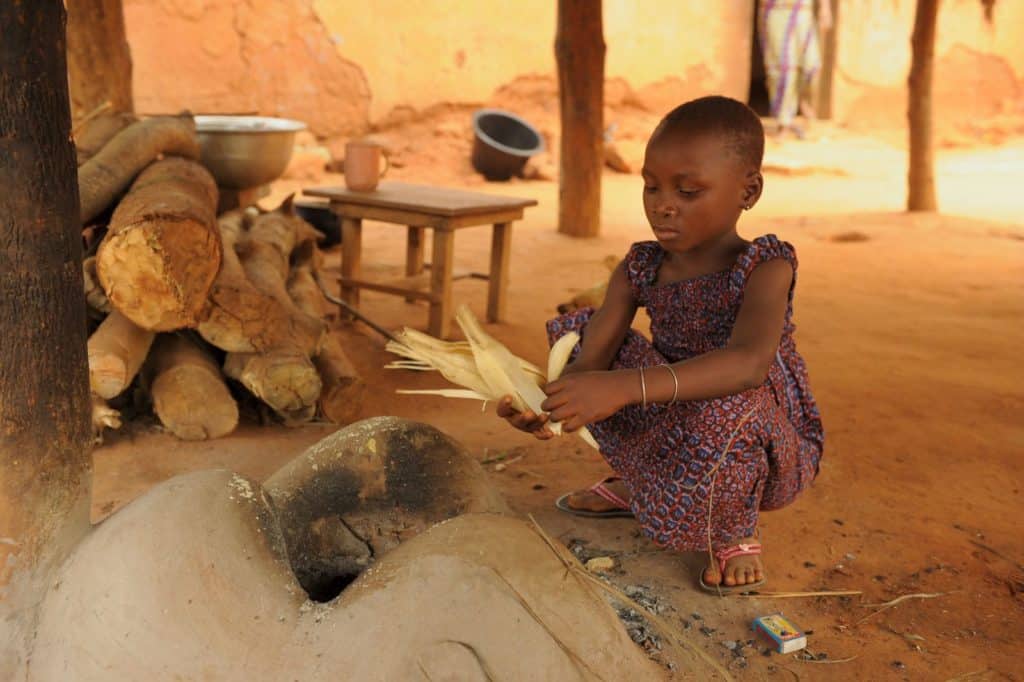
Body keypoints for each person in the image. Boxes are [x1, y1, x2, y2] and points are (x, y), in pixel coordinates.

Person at [497, 96, 824, 593]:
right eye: (651, 186)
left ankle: (732, 528)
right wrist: (544, 405)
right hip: (666, 401)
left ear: (749, 190)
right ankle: (643, 485)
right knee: (577, 334)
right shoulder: (641, 266)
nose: (662, 203)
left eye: (688, 190)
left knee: (726, 403)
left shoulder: (765, 267)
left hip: (753, 425)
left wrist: (622, 389)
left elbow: (748, 365)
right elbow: (590, 365)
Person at [758, 0, 832, 138]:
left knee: (812, 66)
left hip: (802, 11)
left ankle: (801, 100)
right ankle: (784, 121)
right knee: (783, 70)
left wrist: (825, 8)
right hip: (775, 10)